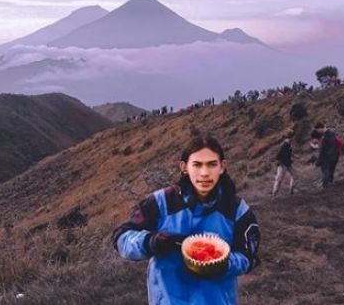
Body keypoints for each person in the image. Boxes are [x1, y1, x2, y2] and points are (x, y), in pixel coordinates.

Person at [112, 135, 260, 305]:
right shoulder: (161, 202)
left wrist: (223, 264)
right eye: (197, 165)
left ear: (222, 167)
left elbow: (248, 256)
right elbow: (121, 237)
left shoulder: (237, 209)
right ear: (184, 167)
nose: (204, 173)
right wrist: (151, 242)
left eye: (212, 164)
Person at [314, 122, 340, 189]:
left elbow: (322, 150)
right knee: (331, 170)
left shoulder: (325, 137)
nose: (318, 131)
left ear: (320, 128)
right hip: (334, 155)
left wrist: (319, 160)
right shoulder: (332, 133)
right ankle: (330, 183)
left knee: (325, 171)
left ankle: (325, 186)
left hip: (326, 157)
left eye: (317, 130)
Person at [272, 130, 296, 197]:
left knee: (295, 176)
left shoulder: (288, 144)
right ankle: (274, 193)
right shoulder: (284, 145)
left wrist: (294, 157)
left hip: (288, 163)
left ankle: (291, 190)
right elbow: (277, 156)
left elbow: (290, 153)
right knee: (279, 179)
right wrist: (281, 163)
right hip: (283, 164)